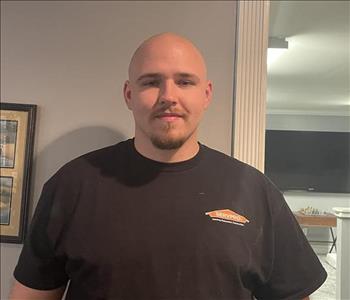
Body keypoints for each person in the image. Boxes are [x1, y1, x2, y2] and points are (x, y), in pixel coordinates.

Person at [10, 32, 326, 300]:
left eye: (185, 81)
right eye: (151, 82)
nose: (168, 96)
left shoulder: (255, 190)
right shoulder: (72, 185)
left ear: (206, 95)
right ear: (129, 94)